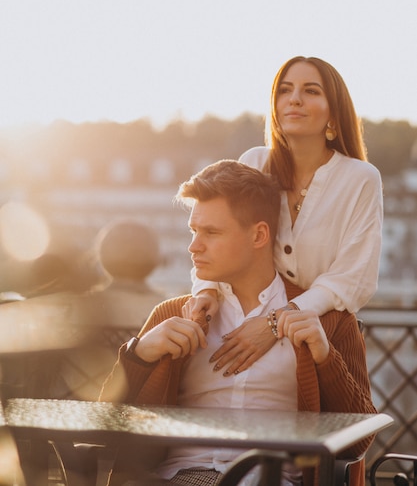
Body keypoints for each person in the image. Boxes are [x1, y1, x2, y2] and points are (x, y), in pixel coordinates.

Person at [100, 159, 377, 486]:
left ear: (259, 235)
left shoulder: (328, 321)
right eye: (193, 231)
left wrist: (325, 357)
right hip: (180, 478)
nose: (194, 246)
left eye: (211, 233)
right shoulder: (171, 315)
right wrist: (139, 354)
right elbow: (104, 425)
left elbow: (359, 441)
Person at [185, 56, 383, 377]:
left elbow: (353, 277)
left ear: (334, 111)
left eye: (311, 91)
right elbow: (222, 230)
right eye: (285, 90)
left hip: (322, 332)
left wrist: (276, 322)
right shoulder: (255, 160)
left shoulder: (360, 178)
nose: (294, 99)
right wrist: (206, 289)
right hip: (241, 319)